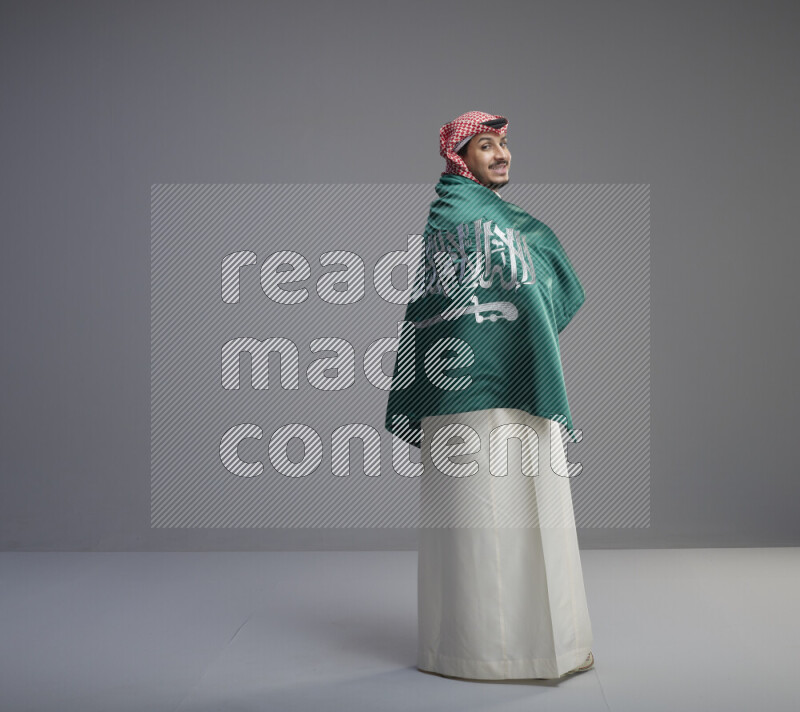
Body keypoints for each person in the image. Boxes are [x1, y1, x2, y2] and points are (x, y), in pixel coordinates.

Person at [385, 111, 594, 680]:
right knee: (475, 517)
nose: (501, 155)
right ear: (460, 157)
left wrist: (527, 326)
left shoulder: (508, 220)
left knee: (536, 508)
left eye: (504, 145)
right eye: (486, 146)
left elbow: (533, 284)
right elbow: (447, 304)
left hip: (520, 381)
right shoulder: (452, 217)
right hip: (465, 396)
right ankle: (473, 652)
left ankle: (554, 644)